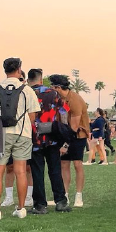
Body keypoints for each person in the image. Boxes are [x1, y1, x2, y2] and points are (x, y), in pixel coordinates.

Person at [0, 57, 39, 220]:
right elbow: (32, 116)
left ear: (4, 70)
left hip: (1, 135)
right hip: (22, 134)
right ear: (19, 69)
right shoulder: (27, 90)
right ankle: (21, 208)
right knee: (21, 171)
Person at [26, 68, 70, 214]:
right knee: (55, 170)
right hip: (52, 138)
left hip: (33, 138)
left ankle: (40, 205)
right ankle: (61, 202)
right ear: (41, 78)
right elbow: (64, 112)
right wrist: (62, 131)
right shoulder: (53, 93)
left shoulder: (26, 93)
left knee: (37, 172)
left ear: (28, 79)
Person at [56, 75, 90, 207]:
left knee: (77, 164)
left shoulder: (74, 99)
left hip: (78, 136)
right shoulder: (59, 100)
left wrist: (65, 145)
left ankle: (78, 195)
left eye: (53, 87)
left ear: (58, 87)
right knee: (64, 164)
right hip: (65, 134)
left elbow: (74, 127)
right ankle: (64, 195)